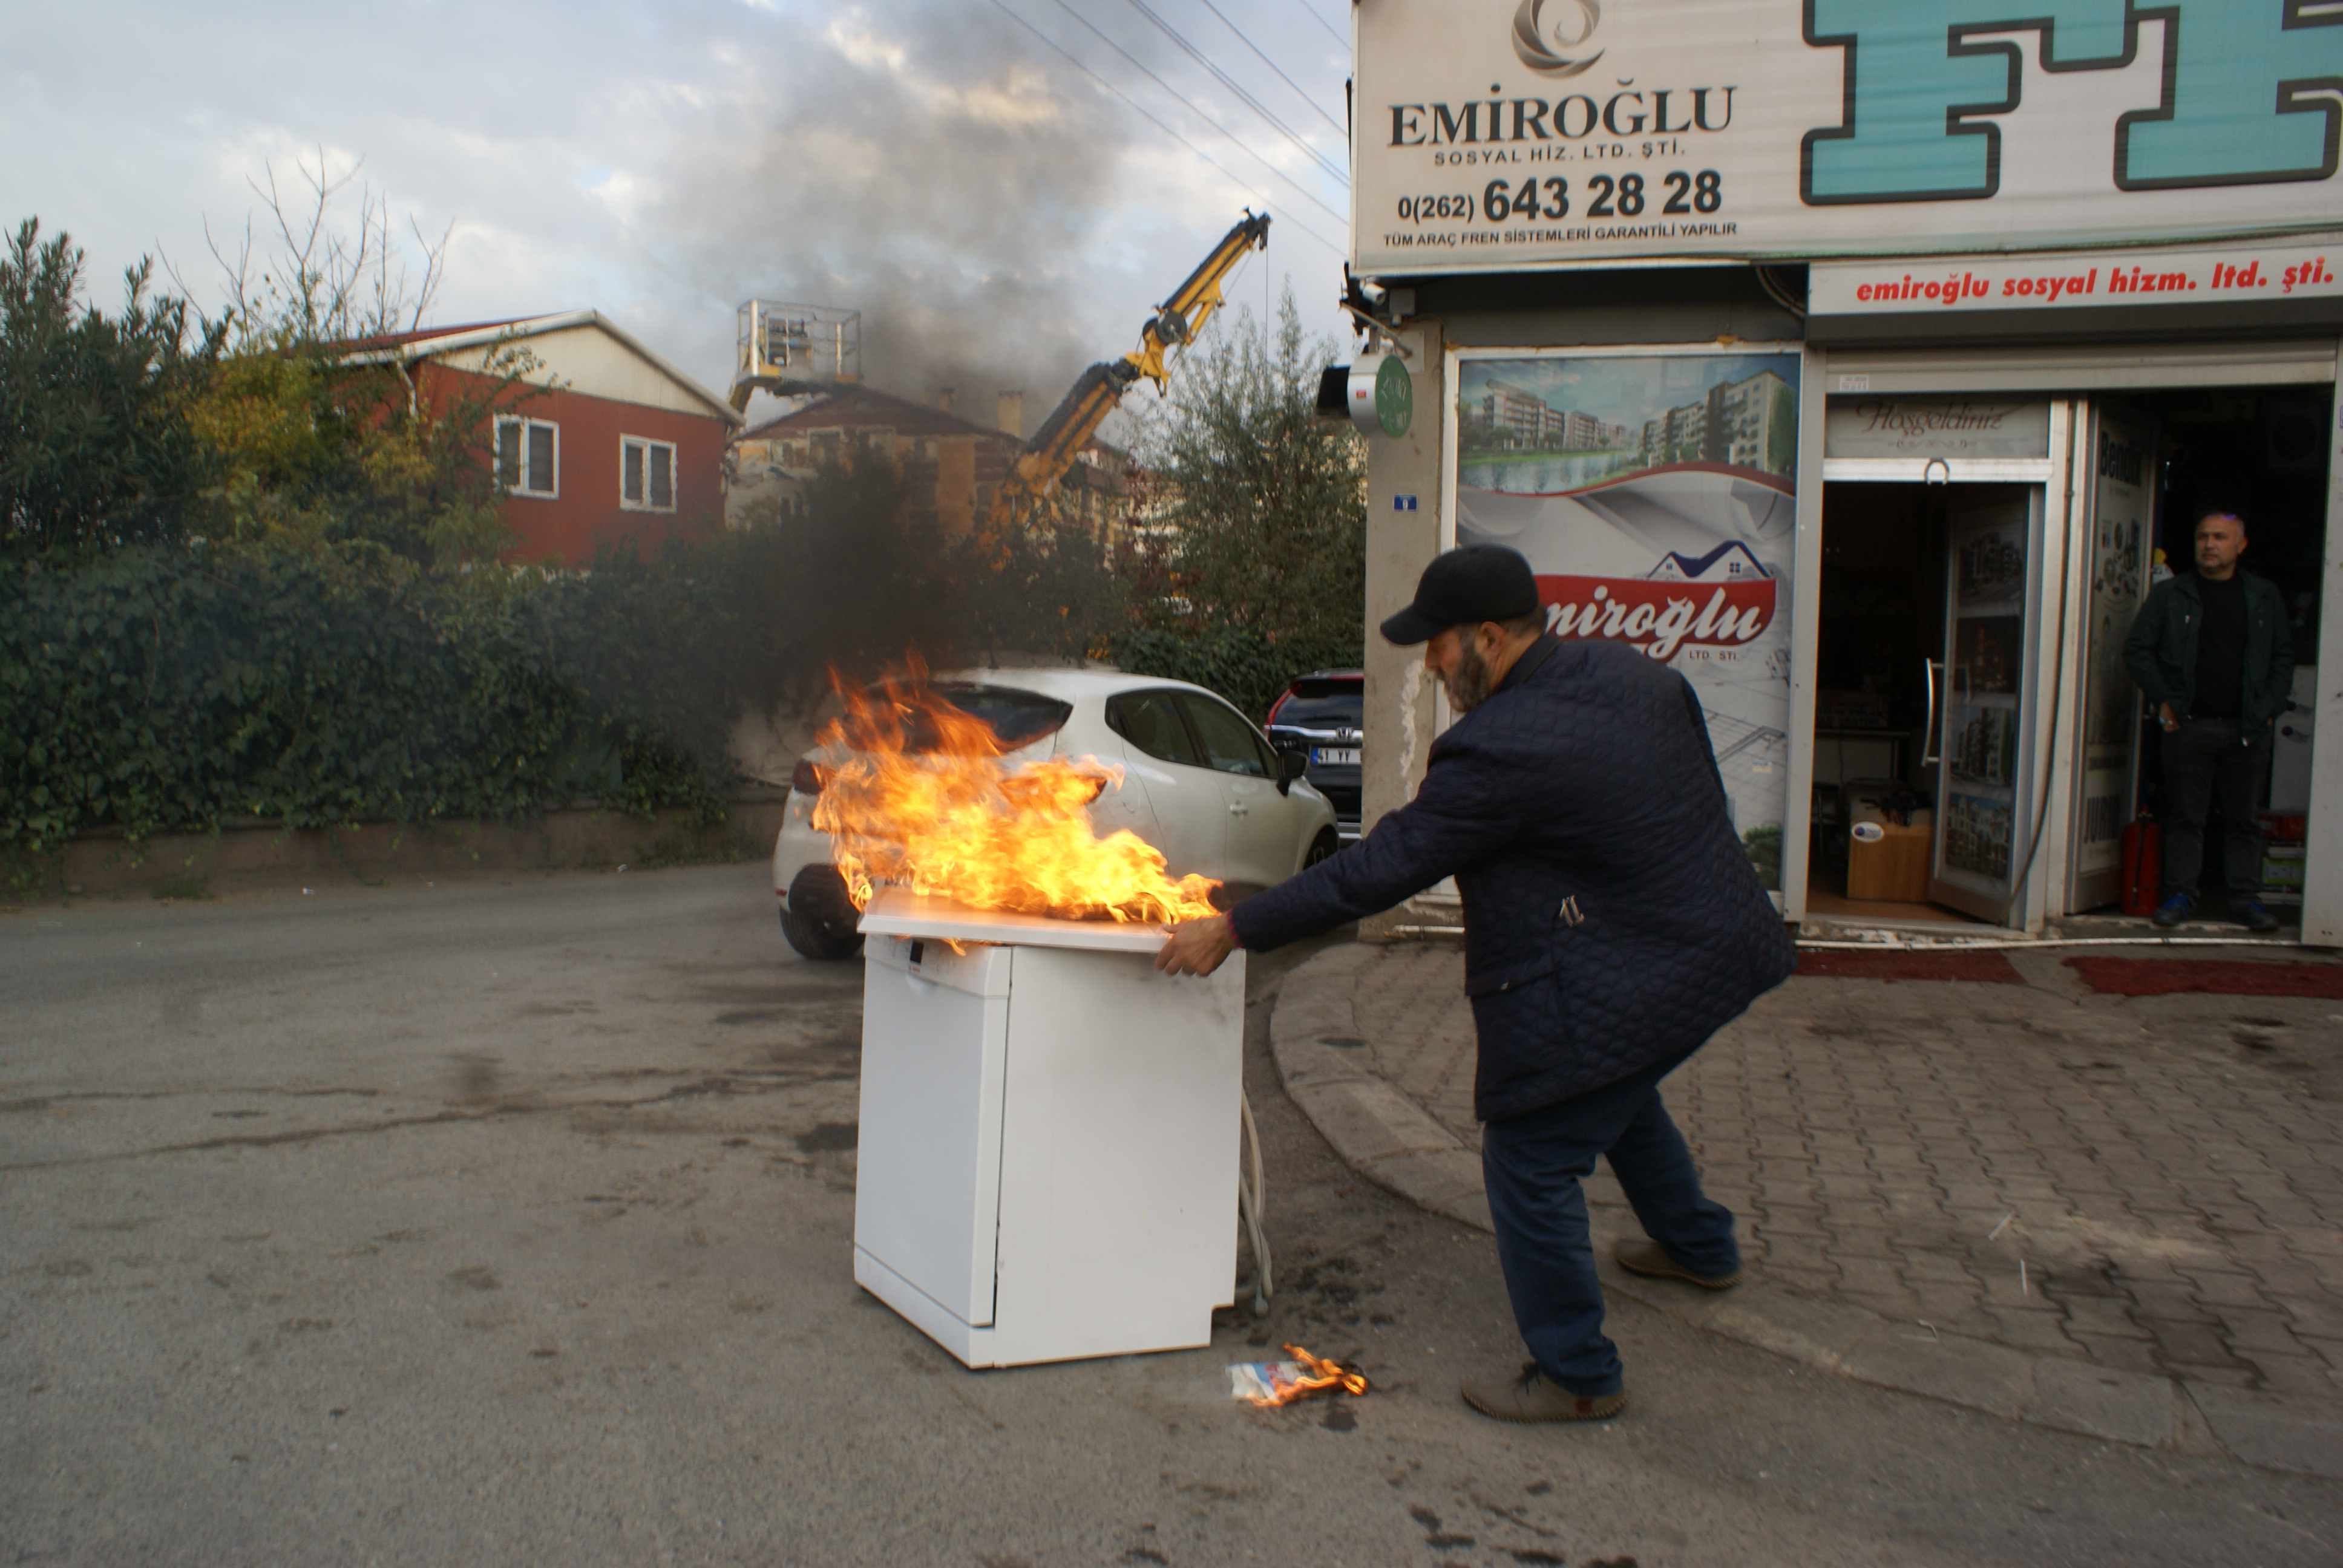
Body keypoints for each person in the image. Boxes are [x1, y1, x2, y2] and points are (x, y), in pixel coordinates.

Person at [1156, 544, 1796, 1423]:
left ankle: (1577, 1370)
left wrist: (1234, 927)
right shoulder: (1633, 673)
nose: (1428, 665)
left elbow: (1377, 870)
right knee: (1614, 1084)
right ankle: (1699, 1246)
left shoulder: (1497, 748)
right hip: (1717, 943)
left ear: (1489, 638)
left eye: (1439, 647)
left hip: (1645, 960)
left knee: (1530, 1154)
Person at [2122, 505, 2295, 932]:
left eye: (2219, 537)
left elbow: (2282, 657)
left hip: (2247, 727)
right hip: (2189, 724)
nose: (2209, 545)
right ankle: (2180, 896)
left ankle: (2245, 900)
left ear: (2241, 545)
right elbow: (2137, 650)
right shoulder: (2172, 595)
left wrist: (2269, 708)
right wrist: (2163, 699)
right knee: (2186, 817)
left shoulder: (2263, 596)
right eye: (2203, 537)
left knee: (2243, 820)